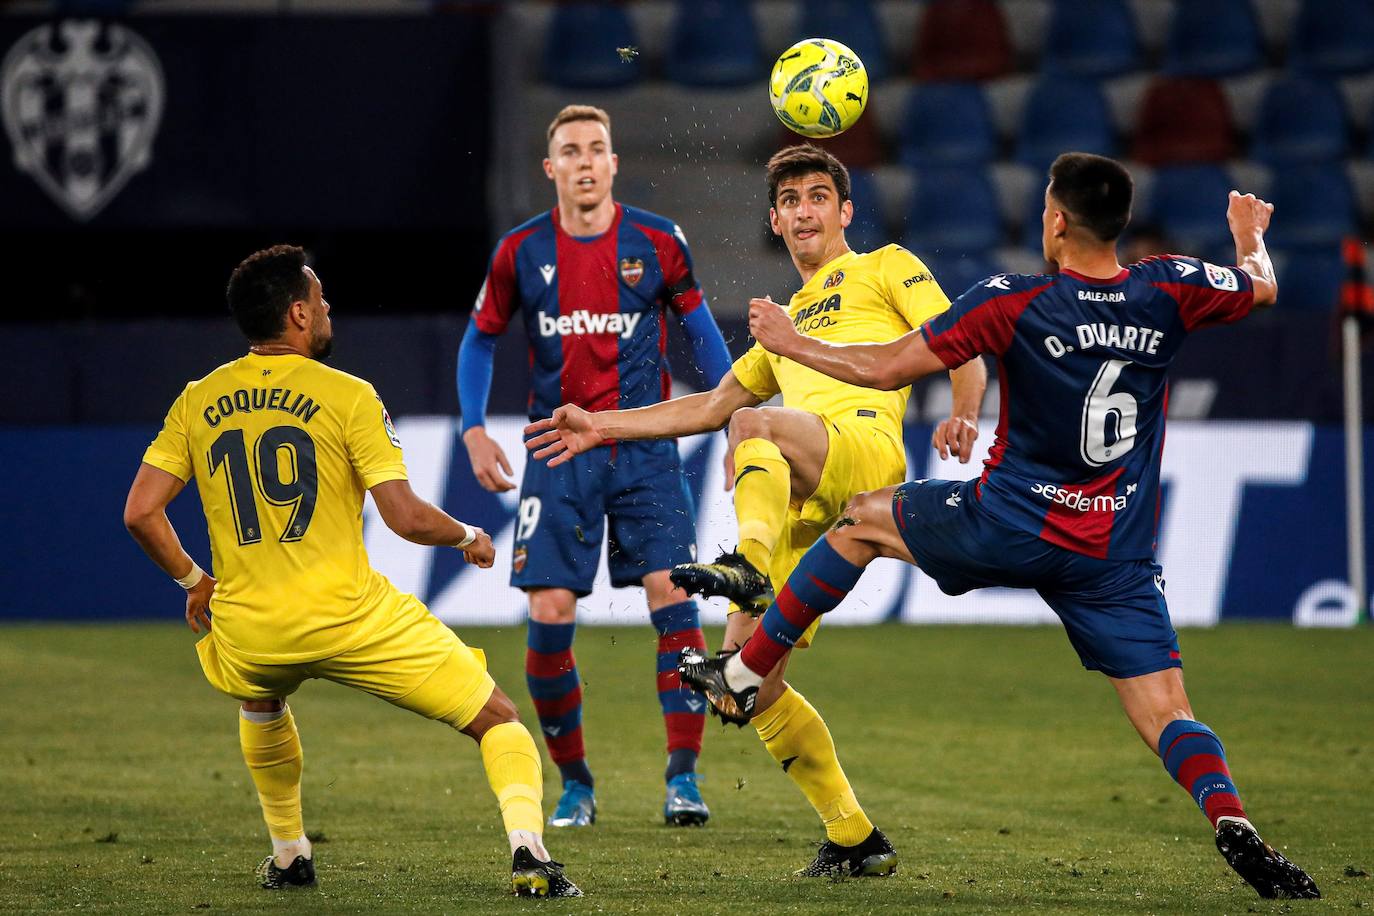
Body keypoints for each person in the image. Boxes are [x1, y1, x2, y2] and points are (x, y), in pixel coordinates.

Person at [680, 152, 1320, 900]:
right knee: (1169, 711)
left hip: (1008, 522)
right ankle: (1230, 817)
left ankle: (748, 665)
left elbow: (889, 367)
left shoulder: (1011, 300)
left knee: (859, 522)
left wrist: (794, 345)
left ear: (1054, 222)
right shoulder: (1172, 285)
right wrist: (1247, 234)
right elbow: (1264, 284)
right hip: (1112, 554)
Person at [524, 143, 988, 877]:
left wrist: (965, 412)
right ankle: (854, 838)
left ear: (845, 210)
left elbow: (963, 343)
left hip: (864, 454)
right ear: (775, 221)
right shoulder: (788, 321)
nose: (805, 210)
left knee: (755, 426)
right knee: (745, 685)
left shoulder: (885, 266)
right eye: (792, 201)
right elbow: (710, 405)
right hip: (811, 503)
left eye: (818, 197)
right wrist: (600, 424)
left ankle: (744, 562)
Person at [123, 245, 581, 898]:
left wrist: (196, 582)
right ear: (300, 314)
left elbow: (141, 513)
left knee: (261, 697)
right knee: (498, 717)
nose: (330, 306)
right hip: (349, 618)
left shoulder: (200, 399)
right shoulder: (348, 395)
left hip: (251, 628)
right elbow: (404, 517)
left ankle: (288, 854)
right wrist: (469, 536)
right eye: (322, 296)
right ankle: (529, 852)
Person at [458, 105, 734, 828]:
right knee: (549, 615)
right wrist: (474, 429)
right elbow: (479, 339)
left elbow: (704, 338)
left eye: (597, 149)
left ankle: (683, 778)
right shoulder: (519, 251)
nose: (585, 161)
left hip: (646, 449)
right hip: (557, 451)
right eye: (570, 152)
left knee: (675, 605)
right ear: (550, 169)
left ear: (613, 164)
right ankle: (576, 783)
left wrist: (739, 422)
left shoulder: (658, 242)